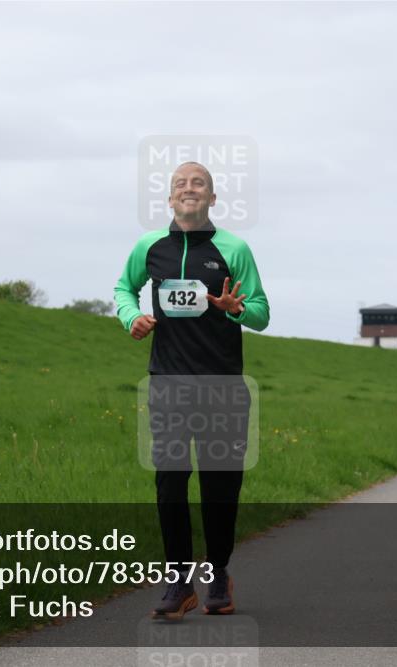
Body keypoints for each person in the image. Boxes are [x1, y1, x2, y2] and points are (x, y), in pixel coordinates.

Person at [114, 161, 269, 620]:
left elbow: (261, 312)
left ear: (212, 198)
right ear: (169, 199)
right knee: (170, 482)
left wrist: (236, 308)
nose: (189, 188)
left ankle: (218, 572)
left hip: (222, 384)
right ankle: (179, 580)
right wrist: (131, 317)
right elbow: (125, 288)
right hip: (168, 384)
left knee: (220, 486)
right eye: (180, 183)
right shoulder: (150, 247)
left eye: (198, 183)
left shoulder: (233, 248)